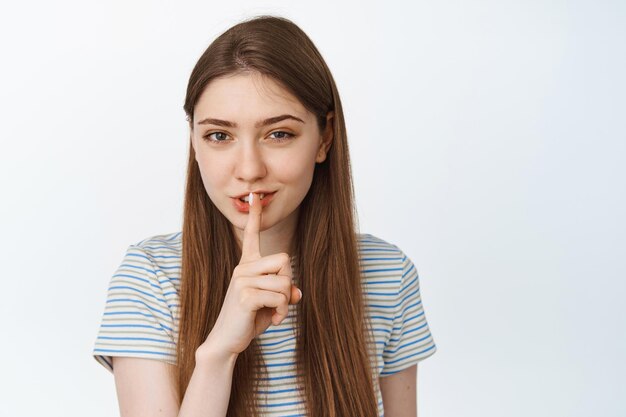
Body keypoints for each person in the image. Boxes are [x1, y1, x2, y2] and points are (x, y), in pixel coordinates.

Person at [92, 14, 437, 417]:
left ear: (324, 138)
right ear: (195, 143)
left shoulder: (388, 274)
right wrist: (218, 353)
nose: (250, 168)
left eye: (278, 134)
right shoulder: (150, 279)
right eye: (219, 136)